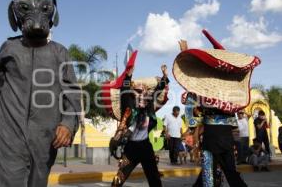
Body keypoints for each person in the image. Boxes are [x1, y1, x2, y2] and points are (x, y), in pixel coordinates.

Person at [0, 0, 81, 187]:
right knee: (8, 181)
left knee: (37, 181)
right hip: (7, 131)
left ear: (52, 18)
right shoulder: (9, 48)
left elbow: (72, 93)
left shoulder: (60, 52)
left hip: (45, 136)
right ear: (15, 18)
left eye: (44, 11)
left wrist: (68, 123)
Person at [173, 29, 260, 186]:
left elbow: (192, 109)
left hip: (212, 136)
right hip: (226, 136)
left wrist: (186, 52)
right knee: (230, 173)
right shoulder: (231, 95)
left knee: (209, 175)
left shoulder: (207, 93)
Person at [106, 51, 169, 187]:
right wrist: (128, 76)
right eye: (138, 92)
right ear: (133, 94)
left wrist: (164, 76)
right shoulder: (128, 106)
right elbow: (124, 90)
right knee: (119, 179)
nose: (142, 94)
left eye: (144, 92)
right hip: (131, 148)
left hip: (146, 147)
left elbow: (158, 90)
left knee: (155, 180)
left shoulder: (148, 105)